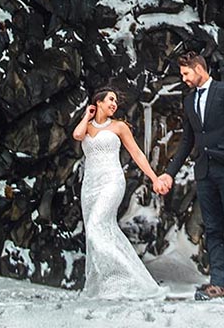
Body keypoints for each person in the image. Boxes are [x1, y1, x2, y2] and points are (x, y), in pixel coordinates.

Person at [154, 51, 224, 300]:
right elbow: (187, 141)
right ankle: (217, 284)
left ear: (199, 69)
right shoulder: (190, 100)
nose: (184, 79)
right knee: (212, 228)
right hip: (203, 172)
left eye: (186, 73)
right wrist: (169, 173)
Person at [73, 88, 166, 300]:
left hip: (112, 181)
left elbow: (137, 153)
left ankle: (127, 275)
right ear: (98, 102)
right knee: (99, 231)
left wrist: (154, 178)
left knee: (97, 225)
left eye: (116, 100)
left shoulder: (119, 126)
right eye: (110, 100)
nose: (114, 104)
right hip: (90, 185)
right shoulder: (86, 126)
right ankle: (106, 285)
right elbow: (77, 135)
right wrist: (87, 115)